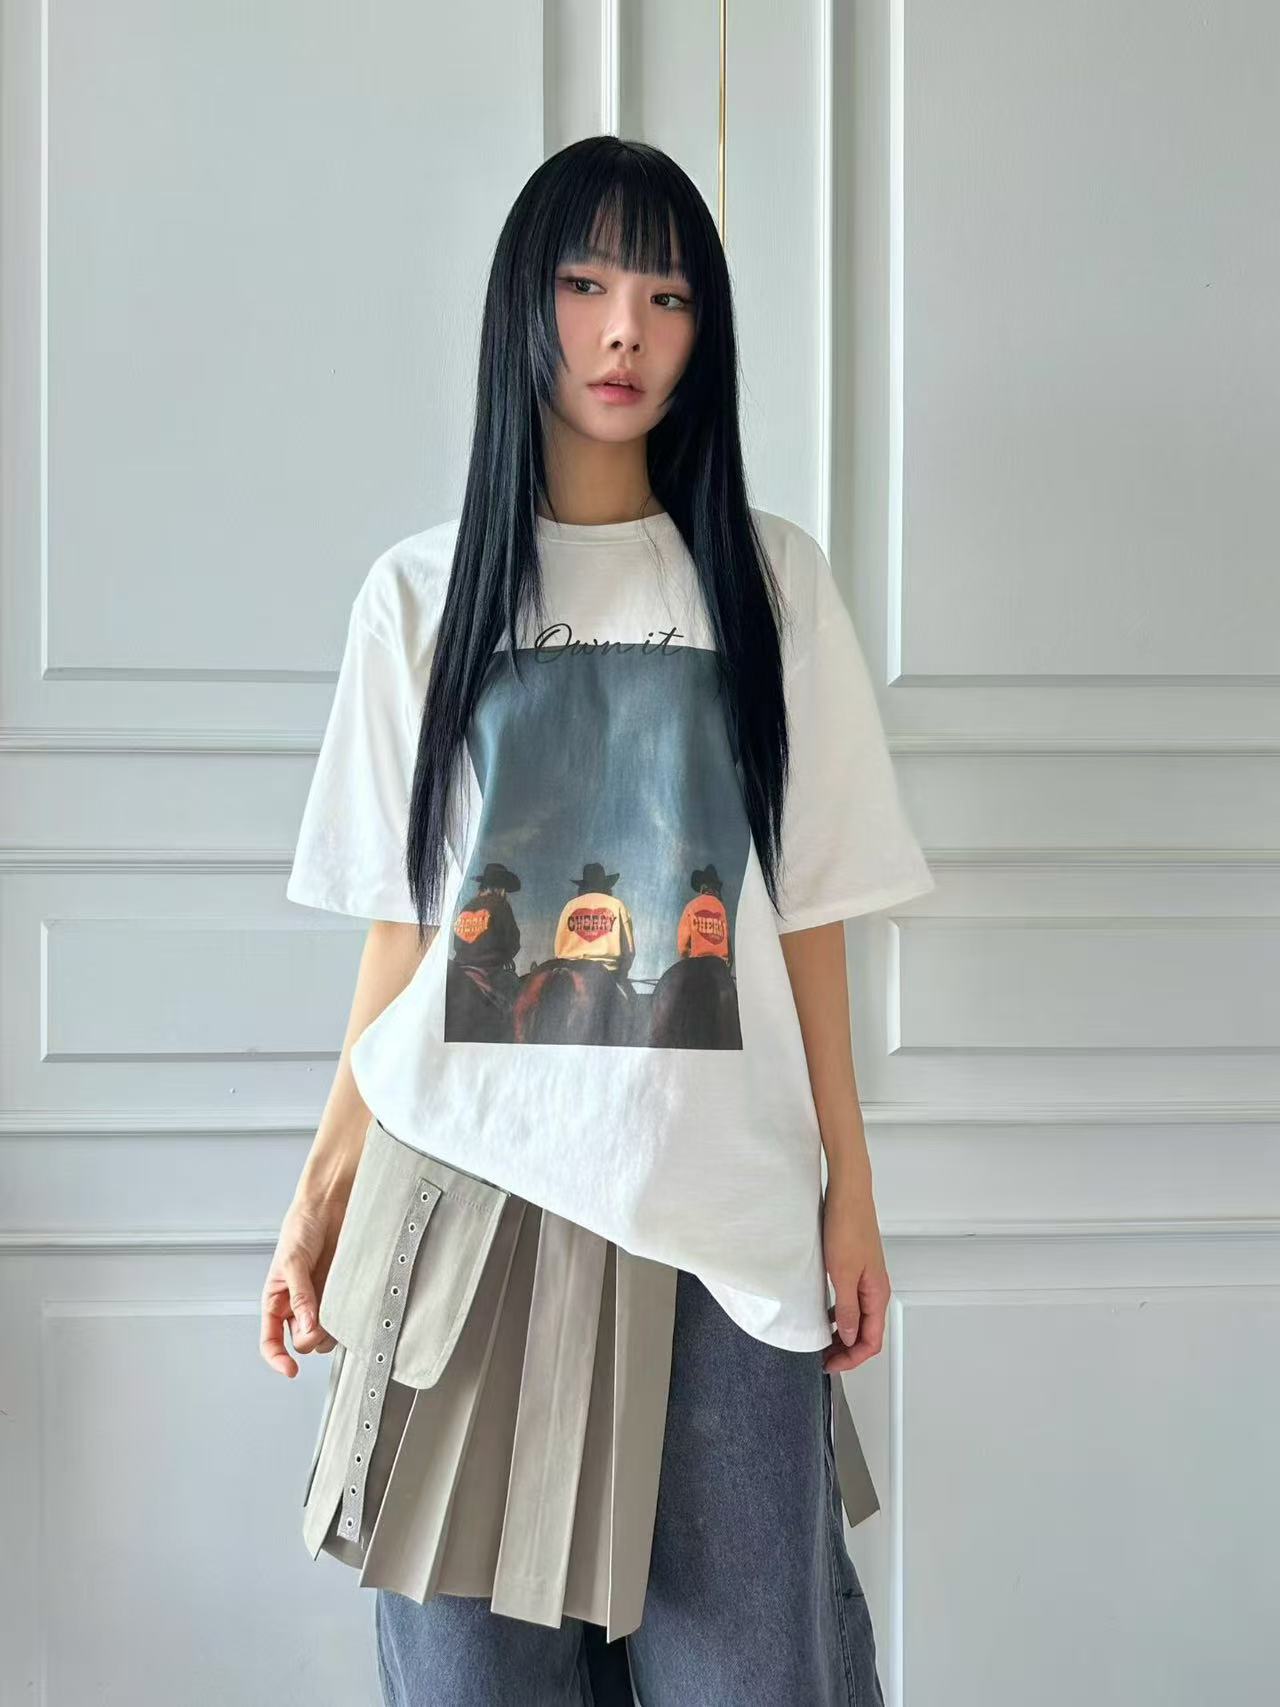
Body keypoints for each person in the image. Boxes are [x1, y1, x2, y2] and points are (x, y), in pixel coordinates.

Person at [261, 135, 934, 1706]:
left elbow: (811, 911)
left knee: (753, 1677)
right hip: (464, 1211)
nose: (625, 328)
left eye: (668, 295)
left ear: (704, 334)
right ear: (525, 304)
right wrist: (320, 1193)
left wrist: (849, 1192)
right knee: (469, 1684)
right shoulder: (419, 595)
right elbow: (405, 934)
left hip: (721, 1220)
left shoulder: (768, 584)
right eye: (585, 283)